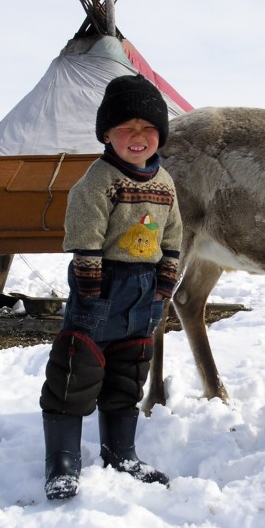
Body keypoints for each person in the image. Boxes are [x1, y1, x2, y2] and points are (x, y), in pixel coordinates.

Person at [39, 74, 182, 501]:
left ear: (161, 134)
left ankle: (121, 452)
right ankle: (62, 461)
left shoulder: (165, 183)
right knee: (76, 368)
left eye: (148, 128)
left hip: (146, 290)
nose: (138, 137)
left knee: (130, 369)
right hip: (102, 282)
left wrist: (167, 277)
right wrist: (90, 280)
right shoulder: (99, 180)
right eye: (126, 128)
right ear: (107, 133)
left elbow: (173, 233)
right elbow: (84, 231)